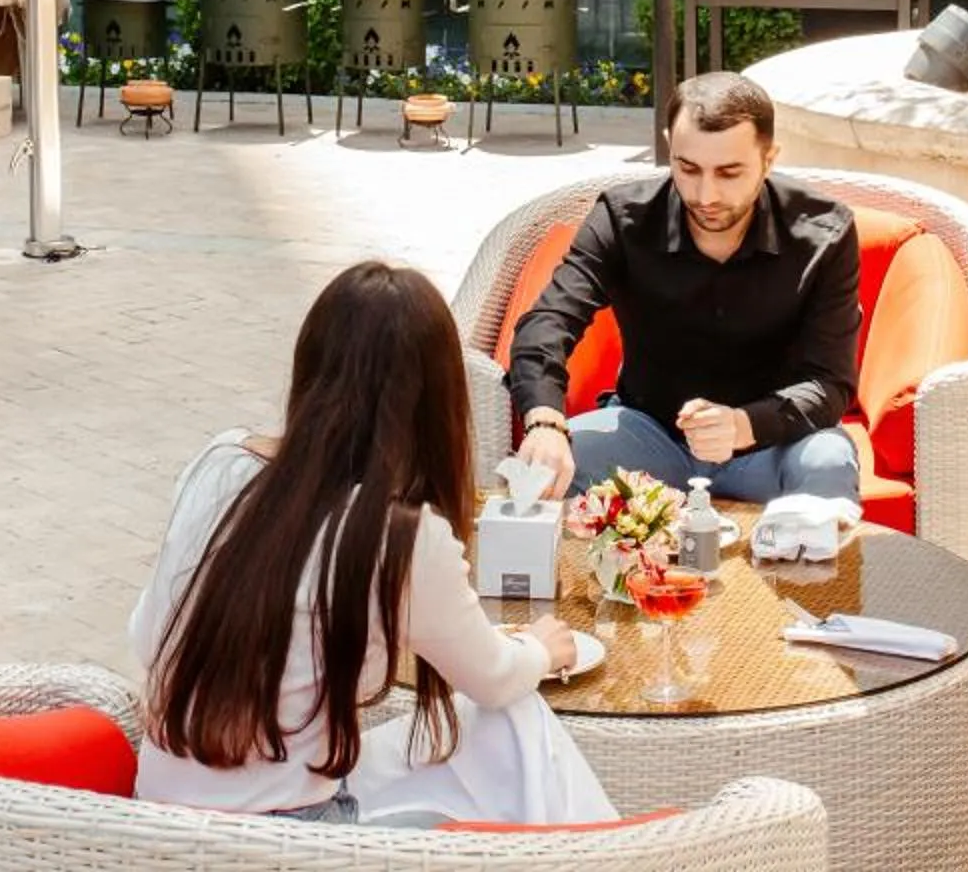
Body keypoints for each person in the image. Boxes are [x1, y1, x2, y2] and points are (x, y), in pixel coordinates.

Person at [132, 262, 612, 826]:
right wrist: (540, 648)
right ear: (436, 403)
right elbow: (494, 678)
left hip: (158, 817)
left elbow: (145, 635)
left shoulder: (219, 462)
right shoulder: (399, 536)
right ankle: (612, 855)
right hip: (288, 836)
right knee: (517, 722)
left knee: (491, 739)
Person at [506, 72, 862, 505]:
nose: (706, 194)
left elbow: (829, 382)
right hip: (646, 435)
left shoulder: (826, 232)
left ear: (769, 159)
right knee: (539, 472)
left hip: (773, 444)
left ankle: (814, 575)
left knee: (830, 462)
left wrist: (742, 425)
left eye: (729, 172)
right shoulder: (623, 218)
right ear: (669, 147)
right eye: (688, 168)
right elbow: (548, 321)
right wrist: (545, 423)